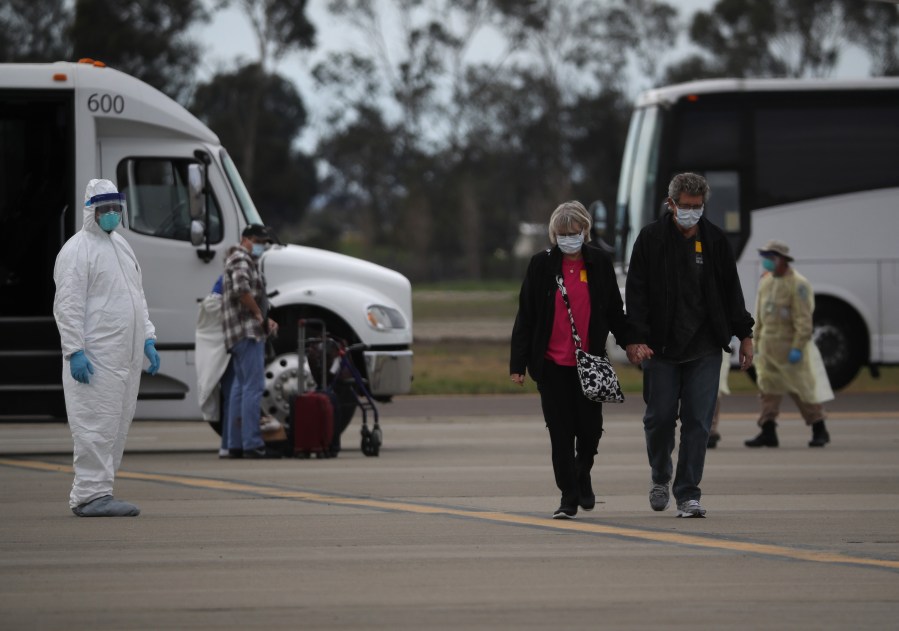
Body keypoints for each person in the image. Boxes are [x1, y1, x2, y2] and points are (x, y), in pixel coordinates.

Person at [625, 172, 754, 518]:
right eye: (685, 206)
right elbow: (635, 293)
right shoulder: (650, 239)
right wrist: (634, 338)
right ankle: (660, 476)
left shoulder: (714, 241)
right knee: (659, 420)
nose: (692, 212)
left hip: (705, 347)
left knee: (699, 422)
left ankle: (688, 494)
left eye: (698, 207)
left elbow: (732, 292)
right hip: (660, 349)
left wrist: (745, 335)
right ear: (671, 204)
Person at [510, 201, 630, 519]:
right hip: (551, 366)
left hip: (588, 363)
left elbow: (615, 311)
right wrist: (517, 364)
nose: (568, 239)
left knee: (590, 430)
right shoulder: (541, 265)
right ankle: (568, 495)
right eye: (561, 234)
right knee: (560, 433)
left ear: (585, 231)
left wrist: (632, 343)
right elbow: (527, 315)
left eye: (573, 233)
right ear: (553, 234)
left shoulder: (600, 263)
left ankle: (583, 472)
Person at [53, 179, 160, 517]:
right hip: (96, 355)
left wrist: (147, 337)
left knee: (115, 423)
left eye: (116, 208)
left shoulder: (122, 247)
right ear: (91, 211)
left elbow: (136, 297)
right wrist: (74, 350)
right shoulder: (77, 250)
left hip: (122, 355)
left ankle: (101, 491)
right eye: (105, 209)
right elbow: (68, 304)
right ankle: (89, 494)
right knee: (94, 423)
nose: (112, 214)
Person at [745, 240, 833, 448]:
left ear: (781, 259)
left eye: (769, 257)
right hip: (768, 347)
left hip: (789, 346)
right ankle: (768, 431)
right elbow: (760, 316)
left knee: (802, 389)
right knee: (768, 390)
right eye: (764, 257)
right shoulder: (766, 281)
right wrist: (754, 342)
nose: (765, 261)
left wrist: (797, 347)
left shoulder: (798, 284)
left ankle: (819, 428)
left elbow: (804, 321)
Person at [222, 224, 282, 459]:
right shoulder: (241, 258)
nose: (261, 246)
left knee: (239, 388)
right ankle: (252, 443)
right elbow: (242, 289)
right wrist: (259, 315)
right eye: (258, 240)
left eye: (264, 242)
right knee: (253, 387)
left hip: (237, 332)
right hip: (247, 331)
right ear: (245, 239)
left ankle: (234, 444)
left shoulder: (238, 258)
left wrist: (266, 317)